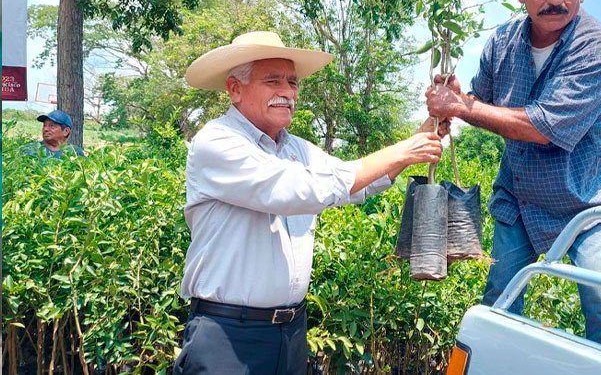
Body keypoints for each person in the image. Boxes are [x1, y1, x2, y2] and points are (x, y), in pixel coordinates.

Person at [175, 31, 443, 374]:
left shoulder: (297, 148)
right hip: (228, 337)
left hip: (290, 333)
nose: (287, 92)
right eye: (273, 81)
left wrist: (422, 136)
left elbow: (354, 185)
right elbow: (299, 189)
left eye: (292, 82)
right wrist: (403, 151)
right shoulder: (217, 142)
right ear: (234, 89)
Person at [425, 0, 601, 353]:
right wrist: (457, 98)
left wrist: (461, 107)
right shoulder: (502, 42)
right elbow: (480, 100)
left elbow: (544, 126)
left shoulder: (599, 48)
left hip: (586, 199)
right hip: (520, 197)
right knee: (500, 296)